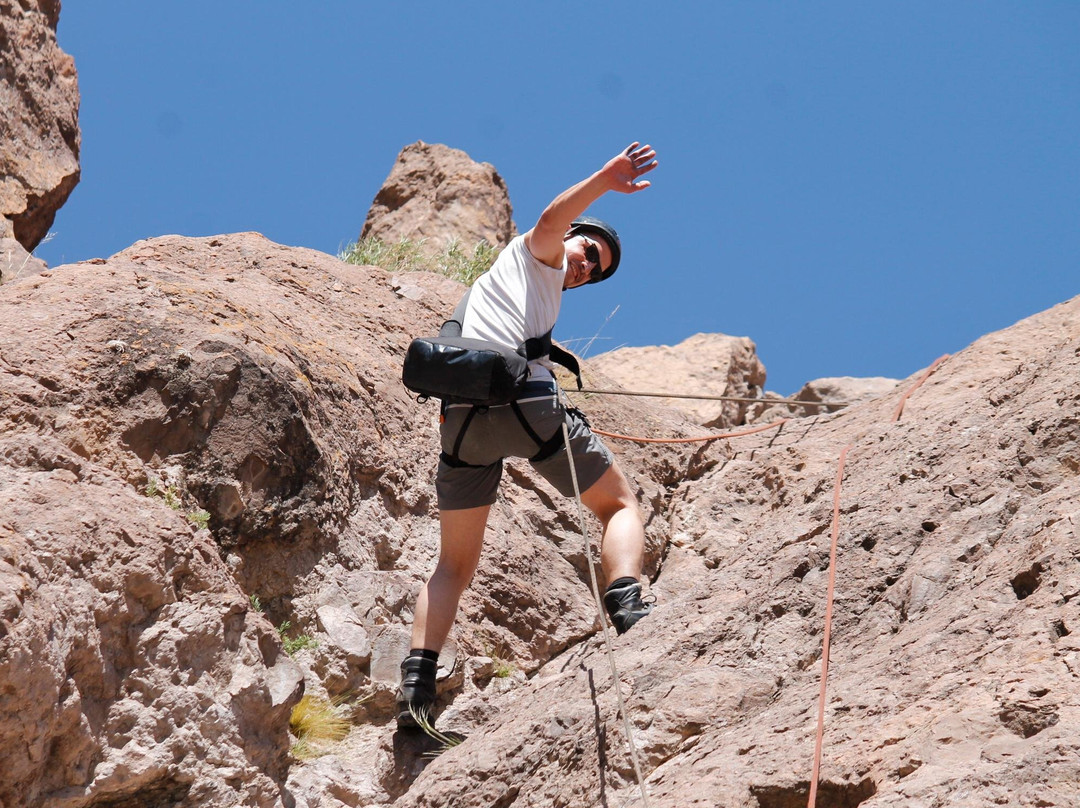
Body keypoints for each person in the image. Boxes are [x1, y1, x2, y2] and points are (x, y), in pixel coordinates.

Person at [397, 142, 659, 729]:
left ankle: (414, 696)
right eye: (589, 250)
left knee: (452, 568)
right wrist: (606, 177)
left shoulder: (516, 294)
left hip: (462, 425)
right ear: (573, 237)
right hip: (527, 410)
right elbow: (549, 221)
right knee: (618, 504)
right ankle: (627, 604)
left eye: (596, 269)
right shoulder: (535, 255)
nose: (586, 265)